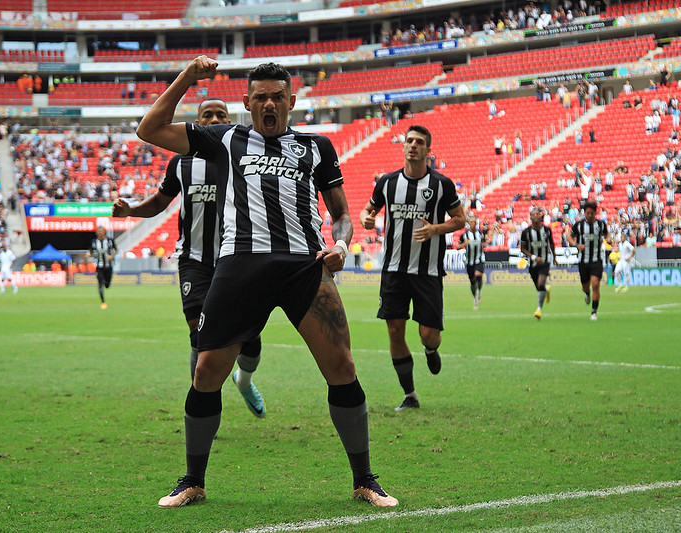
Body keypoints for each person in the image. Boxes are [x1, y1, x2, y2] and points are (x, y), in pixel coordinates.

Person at [136, 56, 398, 508]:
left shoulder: (318, 147)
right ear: (247, 103)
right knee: (206, 372)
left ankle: (364, 479)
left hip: (304, 266)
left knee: (342, 368)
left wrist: (341, 244)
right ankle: (193, 480)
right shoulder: (225, 138)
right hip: (240, 265)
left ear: (292, 101)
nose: (269, 104)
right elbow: (150, 128)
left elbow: (341, 215)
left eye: (278, 96)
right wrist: (188, 78)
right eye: (260, 98)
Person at [111, 98, 265, 418]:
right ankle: (204, 405)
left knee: (250, 340)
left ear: (230, 120)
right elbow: (159, 203)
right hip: (194, 259)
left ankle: (244, 379)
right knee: (200, 332)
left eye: (220, 115)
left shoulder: (246, 158)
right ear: (195, 122)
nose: (212, 119)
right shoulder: (181, 162)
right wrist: (131, 211)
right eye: (206, 115)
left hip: (236, 258)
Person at [358, 125, 465, 410]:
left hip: (427, 271)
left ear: (428, 150)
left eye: (419, 142)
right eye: (409, 141)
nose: (413, 145)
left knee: (428, 334)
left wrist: (435, 229)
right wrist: (366, 218)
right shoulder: (387, 183)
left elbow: (460, 220)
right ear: (403, 147)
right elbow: (367, 210)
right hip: (393, 270)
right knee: (395, 330)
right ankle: (410, 395)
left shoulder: (442, 185)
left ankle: (431, 349)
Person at [566, 202, 611, 320]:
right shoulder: (579, 225)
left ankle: (594, 312)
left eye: (592, 213)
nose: (589, 215)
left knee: (595, 284)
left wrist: (608, 239)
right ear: (584, 213)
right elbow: (569, 236)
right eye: (587, 213)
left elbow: (607, 234)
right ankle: (587, 293)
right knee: (585, 286)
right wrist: (576, 245)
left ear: (595, 213)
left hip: (597, 260)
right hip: (583, 261)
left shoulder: (600, 225)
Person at [520, 208, 557, 320]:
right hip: (533, 263)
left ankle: (539, 309)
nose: (536, 216)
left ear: (541, 216)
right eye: (533, 214)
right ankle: (546, 290)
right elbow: (522, 248)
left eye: (538, 214)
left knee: (540, 284)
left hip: (545, 261)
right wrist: (534, 257)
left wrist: (554, 258)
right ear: (530, 217)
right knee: (539, 287)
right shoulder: (526, 232)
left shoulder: (547, 230)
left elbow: (551, 244)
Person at [456, 213, 487, 310]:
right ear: (468, 223)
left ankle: (479, 292)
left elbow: (483, 244)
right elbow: (457, 247)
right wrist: (463, 244)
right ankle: (475, 296)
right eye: (471, 222)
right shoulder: (464, 235)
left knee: (478, 275)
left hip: (479, 259)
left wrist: (487, 242)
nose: (473, 224)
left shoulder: (480, 234)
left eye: (474, 222)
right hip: (469, 261)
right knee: (472, 281)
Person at [87, 226, 116, 309]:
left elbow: (116, 250)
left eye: (101, 231)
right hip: (99, 266)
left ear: (104, 232)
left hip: (109, 266)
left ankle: (106, 283)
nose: (100, 233)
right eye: (98, 231)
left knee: (107, 285)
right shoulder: (94, 242)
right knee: (100, 284)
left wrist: (112, 256)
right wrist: (89, 255)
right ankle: (103, 302)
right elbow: (91, 251)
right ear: (96, 232)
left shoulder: (110, 241)